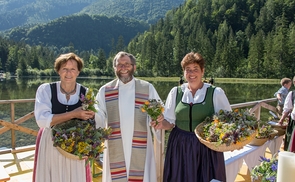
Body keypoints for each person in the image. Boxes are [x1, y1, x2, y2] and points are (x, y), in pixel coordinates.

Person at [152, 52, 231, 182]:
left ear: (202, 71)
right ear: (184, 73)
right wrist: (160, 124)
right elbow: (170, 122)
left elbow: (227, 120)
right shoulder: (175, 92)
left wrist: (230, 139)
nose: (192, 73)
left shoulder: (215, 93)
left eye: (195, 69)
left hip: (206, 147)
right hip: (179, 145)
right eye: (188, 70)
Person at [94, 51, 161, 182]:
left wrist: (156, 119)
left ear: (134, 67)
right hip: (114, 144)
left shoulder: (147, 88)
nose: (123, 68)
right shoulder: (105, 90)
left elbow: (157, 112)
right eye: (119, 65)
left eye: (127, 64)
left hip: (141, 144)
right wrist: (91, 114)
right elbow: (99, 116)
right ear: (114, 68)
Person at [33, 53, 95, 182]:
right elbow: (42, 121)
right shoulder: (45, 90)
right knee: (52, 175)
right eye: (64, 69)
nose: (68, 73)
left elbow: (94, 120)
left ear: (78, 72)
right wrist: (74, 114)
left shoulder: (87, 92)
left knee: (75, 176)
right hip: (50, 141)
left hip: (77, 143)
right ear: (58, 71)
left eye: (73, 69)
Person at [278, 76, 295, 151]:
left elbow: (287, 109)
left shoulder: (292, 94)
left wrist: (281, 120)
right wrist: (281, 120)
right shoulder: (292, 94)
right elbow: (287, 109)